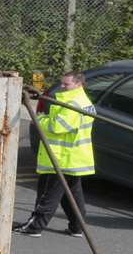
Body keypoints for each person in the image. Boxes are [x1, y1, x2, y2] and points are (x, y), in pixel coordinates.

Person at [16, 72, 94, 237]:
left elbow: (57, 127)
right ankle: (77, 227)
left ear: (78, 84)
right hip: (73, 157)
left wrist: (40, 118)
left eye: (67, 84)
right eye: (62, 84)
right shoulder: (80, 100)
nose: (63, 87)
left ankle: (34, 227)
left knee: (48, 194)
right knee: (71, 195)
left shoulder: (74, 103)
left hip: (62, 158)